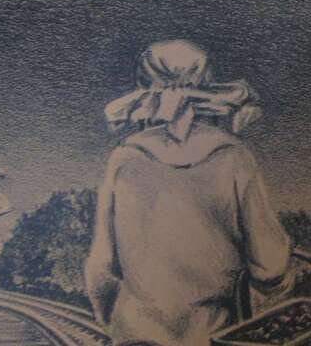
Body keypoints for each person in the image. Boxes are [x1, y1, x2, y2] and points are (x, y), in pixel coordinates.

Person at [85, 40, 291, 346]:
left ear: (143, 86)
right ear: (208, 84)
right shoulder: (233, 156)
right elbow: (270, 266)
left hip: (137, 336)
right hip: (212, 336)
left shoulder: (123, 159)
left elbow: (101, 267)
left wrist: (110, 320)